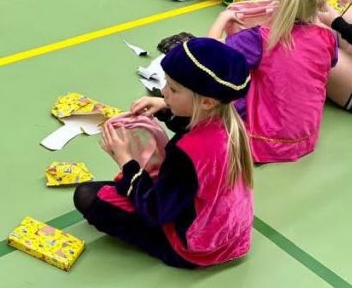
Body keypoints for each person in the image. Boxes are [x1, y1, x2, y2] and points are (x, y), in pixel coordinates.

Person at [73, 37, 253, 268]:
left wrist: (126, 161)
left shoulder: (185, 154)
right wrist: (166, 108)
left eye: (173, 89)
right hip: (233, 233)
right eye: (166, 82)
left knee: (87, 195)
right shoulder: (229, 120)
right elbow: (192, 127)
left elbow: (155, 210)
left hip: (195, 248)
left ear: (207, 102)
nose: (163, 91)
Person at [208, 0, 338, 163]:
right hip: (306, 139)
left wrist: (224, 17)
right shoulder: (328, 37)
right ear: (322, 2)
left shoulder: (259, 38)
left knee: (216, 82)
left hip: (260, 141)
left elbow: (208, 55)